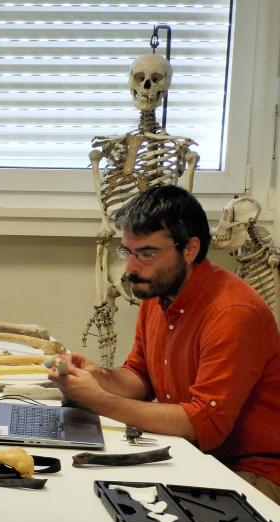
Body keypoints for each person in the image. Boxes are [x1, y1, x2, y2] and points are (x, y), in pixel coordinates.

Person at [49, 185, 280, 504]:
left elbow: (202, 424)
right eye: (127, 252)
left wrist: (97, 400)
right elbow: (139, 378)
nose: (131, 269)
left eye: (146, 253)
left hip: (252, 470)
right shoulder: (158, 294)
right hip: (197, 454)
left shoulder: (233, 313)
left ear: (190, 249)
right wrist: (96, 376)